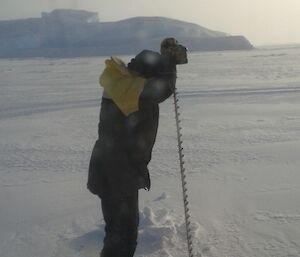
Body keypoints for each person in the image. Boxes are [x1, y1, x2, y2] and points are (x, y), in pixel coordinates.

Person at [87, 37, 187, 257]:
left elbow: (157, 88)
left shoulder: (123, 84)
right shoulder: (131, 91)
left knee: (116, 233)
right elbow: (162, 89)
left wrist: (165, 62)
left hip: (110, 168)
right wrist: (169, 65)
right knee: (123, 238)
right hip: (118, 172)